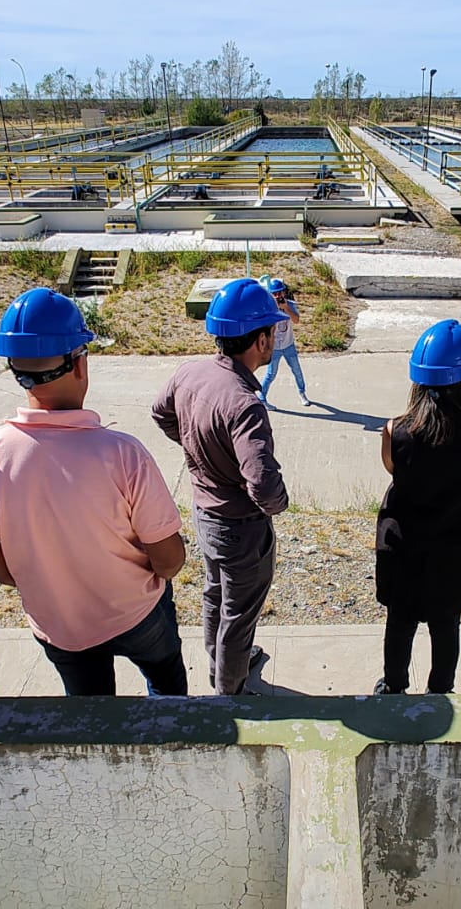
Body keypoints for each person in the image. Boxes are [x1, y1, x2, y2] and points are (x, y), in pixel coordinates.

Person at [0, 289, 189, 696]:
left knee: (90, 713)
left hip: (59, 625)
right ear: (80, 363)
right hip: (137, 614)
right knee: (167, 683)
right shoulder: (122, 453)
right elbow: (169, 560)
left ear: (15, 369)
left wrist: (46, 584)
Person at [151, 277, 289, 695]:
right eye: (273, 331)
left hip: (205, 512)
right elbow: (264, 487)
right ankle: (229, 694)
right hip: (240, 527)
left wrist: (198, 450)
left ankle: (222, 665)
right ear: (261, 339)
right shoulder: (245, 403)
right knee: (239, 611)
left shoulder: (191, 372)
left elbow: (161, 413)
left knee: (216, 594)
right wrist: (279, 501)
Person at [373, 319, 461, 695]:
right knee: (446, 623)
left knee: (400, 621)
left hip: (404, 547)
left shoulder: (394, 430)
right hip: (457, 550)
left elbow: (394, 470)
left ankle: (394, 686)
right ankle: (441, 689)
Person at [258, 277, 308, 409]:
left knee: (297, 370)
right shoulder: (269, 308)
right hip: (274, 347)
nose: (278, 296)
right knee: (271, 374)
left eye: (280, 293)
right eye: (275, 293)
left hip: (288, 345)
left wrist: (286, 308)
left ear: (284, 293)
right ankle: (262, 398)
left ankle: (302, 393)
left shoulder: (290, 304)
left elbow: (296, 320)